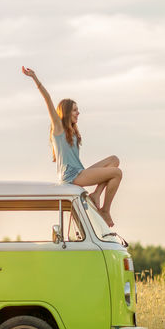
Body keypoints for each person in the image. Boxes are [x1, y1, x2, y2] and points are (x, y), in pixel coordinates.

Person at [21, 66, 123, 227]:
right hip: (71, 176)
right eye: (75, 110)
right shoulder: (59, 128)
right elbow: (48, 100)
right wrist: (34, 78)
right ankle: (105, 211)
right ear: (67, 112)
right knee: (117, 173)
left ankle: (96, 195)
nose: (78, 113)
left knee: (114, 160)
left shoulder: (73, 132)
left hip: (80, 172)